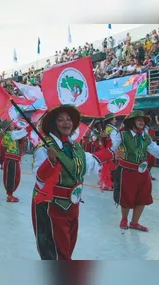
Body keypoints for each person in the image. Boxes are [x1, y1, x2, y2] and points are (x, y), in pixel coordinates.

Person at [32, 105, 115, 260]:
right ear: (53, 124)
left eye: (69, 119)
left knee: (68, 245)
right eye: (61, 120)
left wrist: (109, 152)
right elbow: (39, 180)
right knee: (54, 250)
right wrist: (49, 162)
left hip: (72, 205)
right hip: (51, 205)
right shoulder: (44, 148)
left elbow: (87, 163)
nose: (66, 123)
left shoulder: (75, 146)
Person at [111, 110, 159, 232]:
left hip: (142, 172)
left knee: (143, 197)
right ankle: (124, 219)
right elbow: (111, 148)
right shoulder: (122, 135)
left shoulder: (146, 137)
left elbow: (156, 151)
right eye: (139, 119)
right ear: (132, 122)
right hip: (127, 171)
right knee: (127, 197)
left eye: (143, 120)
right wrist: (106, 146)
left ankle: (134, 222)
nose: (142, 122)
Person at [0, 120, 31, 202]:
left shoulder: (7, 135)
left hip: (11, 158)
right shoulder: (12, 133)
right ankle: (10, 196)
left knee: (11, 176)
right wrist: (31, 126)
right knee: (12, 177)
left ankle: (10, 194)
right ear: (8, 127)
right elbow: (23, 131)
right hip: (12, 159)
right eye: (11, 124)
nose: (13, 125)